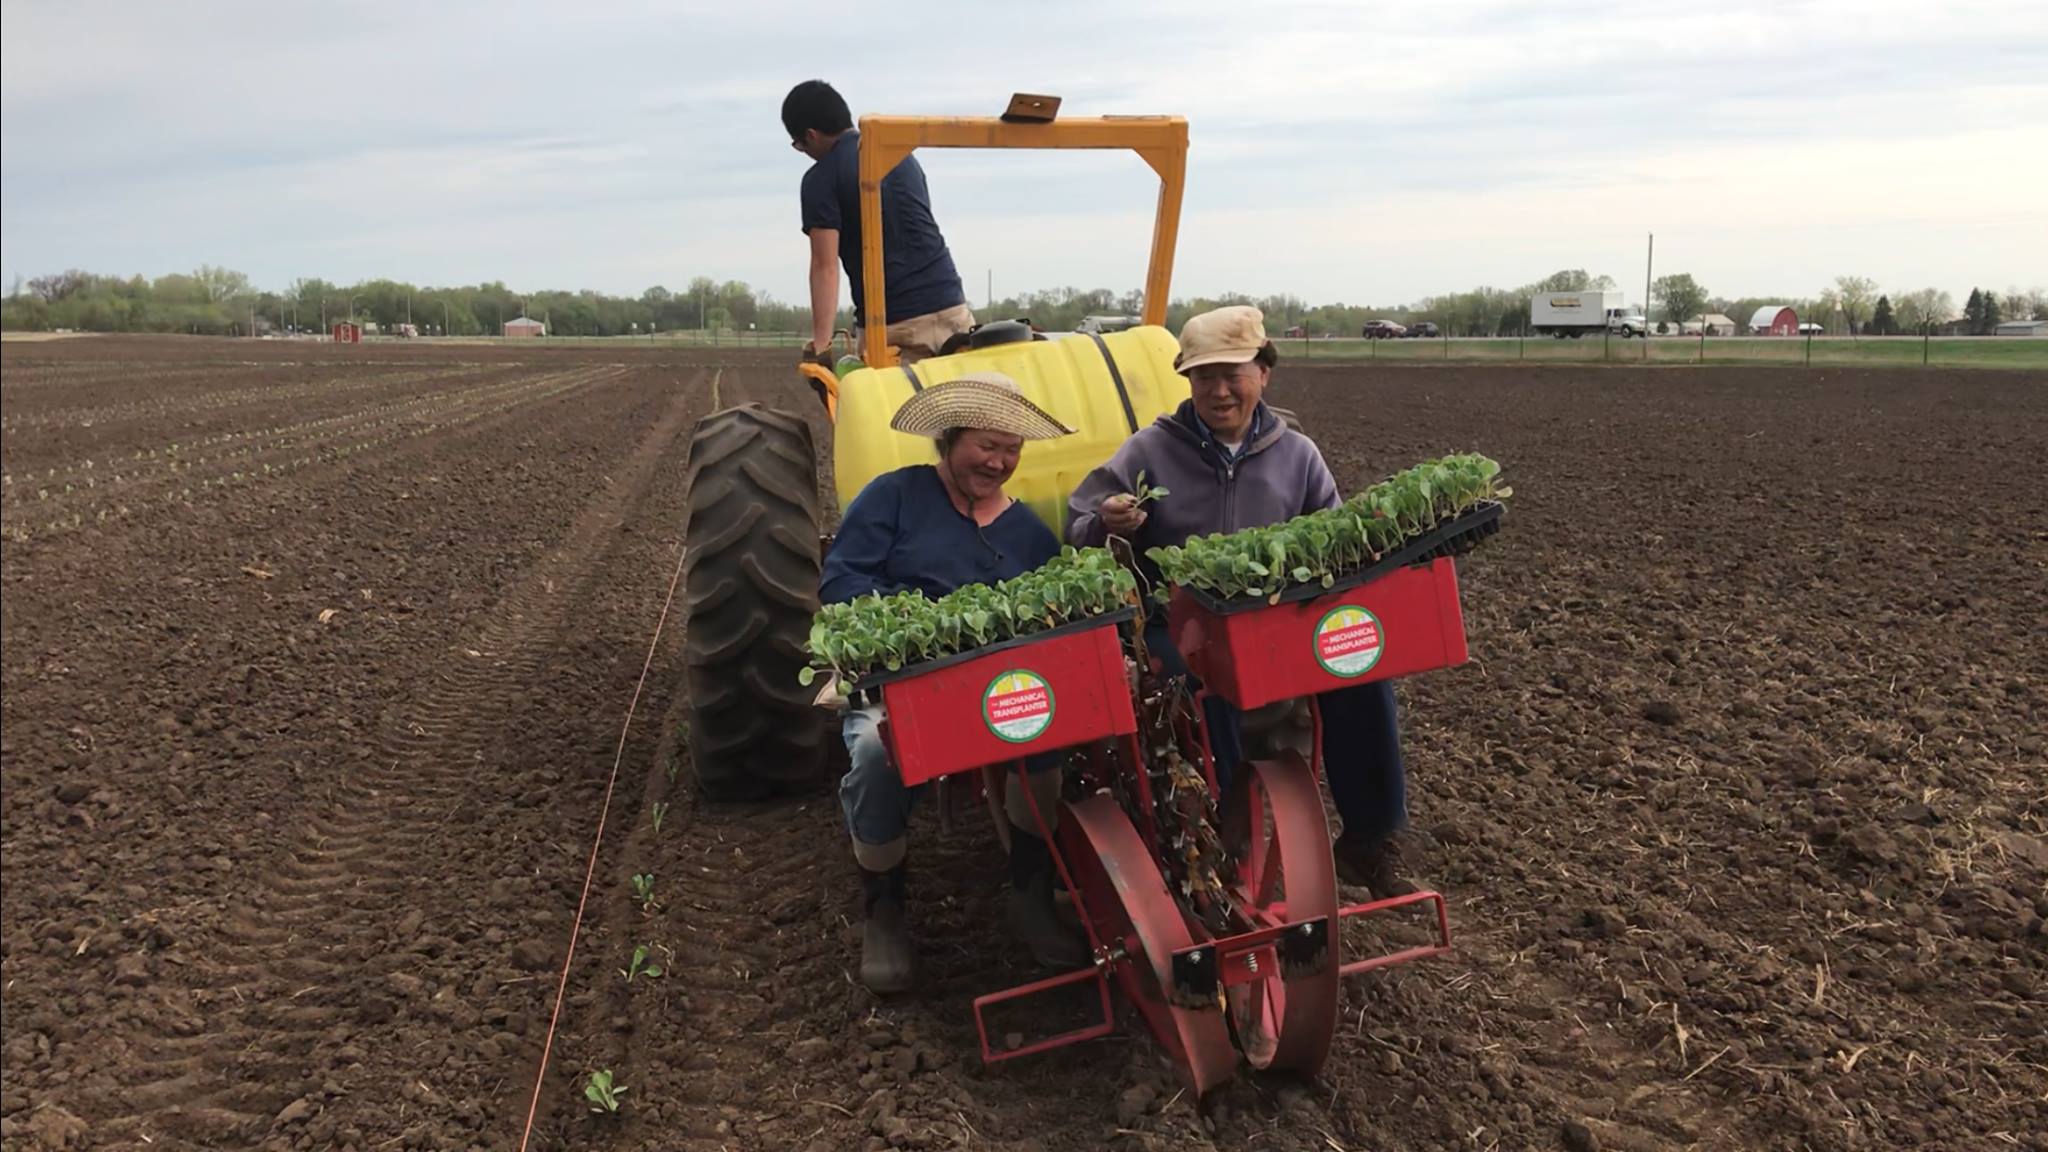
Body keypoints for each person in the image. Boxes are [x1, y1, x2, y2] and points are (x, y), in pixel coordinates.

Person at [1066, 305, 1417, 897]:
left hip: (1278, 620)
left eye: (1235, 372)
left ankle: (1368, 838)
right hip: (1179, 621)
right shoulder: (1149, 450)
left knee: (1358, 666)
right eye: (1204, 376)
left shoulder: (1297, 454)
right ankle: (1230, 834)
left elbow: (1331, 539)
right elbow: (1076, 523)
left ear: (1264, 373)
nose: (1220, 390)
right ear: (1188, 381)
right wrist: (1107, 523)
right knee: (1193, 673)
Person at [820, 372, 1087, 994]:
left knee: (1045, 744)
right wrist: (919, 621)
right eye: (986, 445)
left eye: (1011, 449)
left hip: (999, 689)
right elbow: (842, 581)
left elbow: (1060, 609)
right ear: (949, 440)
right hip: (904, 682)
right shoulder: (893, 497)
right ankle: (884, 911)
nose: (998, 462)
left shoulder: (1028, 533)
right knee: (874, 755)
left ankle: (1031, 896)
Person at [783, 80, 975, 367]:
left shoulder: (821, 178)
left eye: (799, 145)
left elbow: (825, 267)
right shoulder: (902, 157)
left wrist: (821, 347)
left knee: (890, 412)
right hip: (954, 313)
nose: (803, 151)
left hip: (895, 329)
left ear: (811, 135)